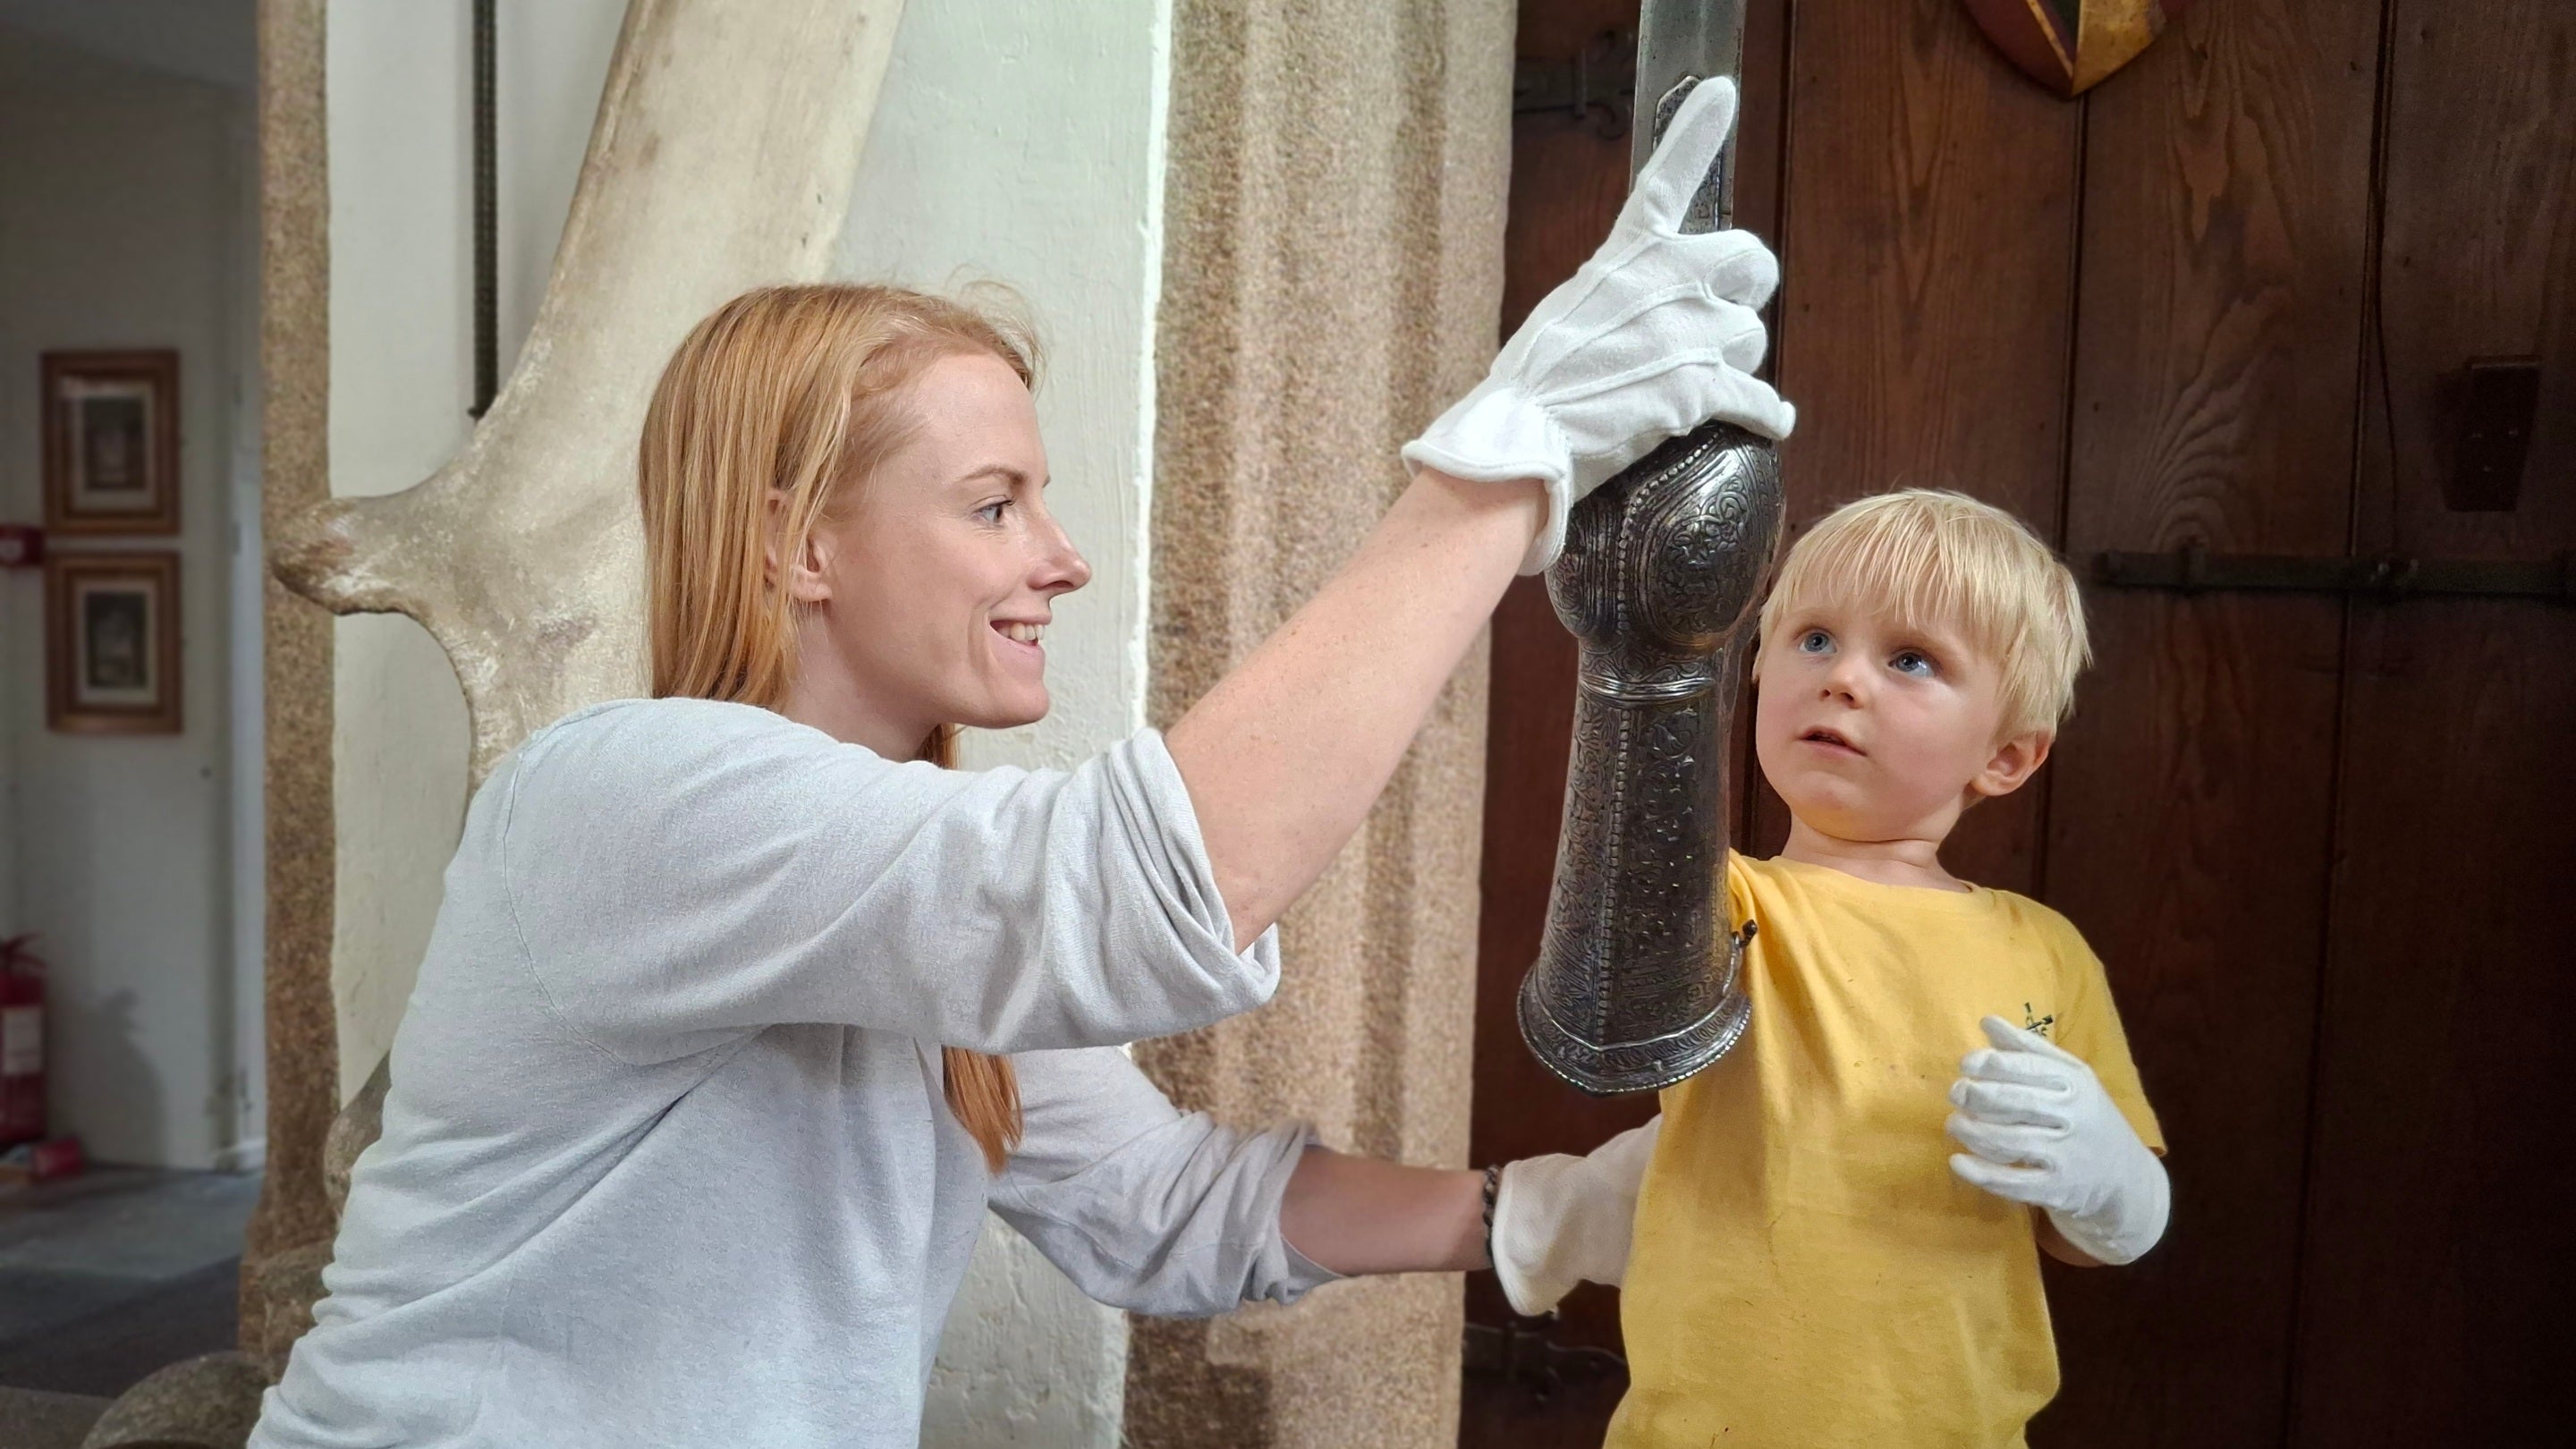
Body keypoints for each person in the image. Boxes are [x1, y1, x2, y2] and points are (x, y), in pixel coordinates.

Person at [249, 80, 1790, 1448]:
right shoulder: (631, 798)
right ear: (798, 543)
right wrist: (1497, 473)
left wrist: (1551, 1215)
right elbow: (1134, 892)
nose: (1062, 561)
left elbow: (1164, 1204)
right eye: (994, 505)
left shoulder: (903, 898)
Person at [1490, 489, 2169, 1448]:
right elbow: (1601, 1000)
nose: (1845, 677)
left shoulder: (2043, 949)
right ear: (1756, 668)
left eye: (1912, 660)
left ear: (2009, 757)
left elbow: (2089, 1236)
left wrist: (2107, 1184)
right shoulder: (1718, 899)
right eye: (1812, 639)